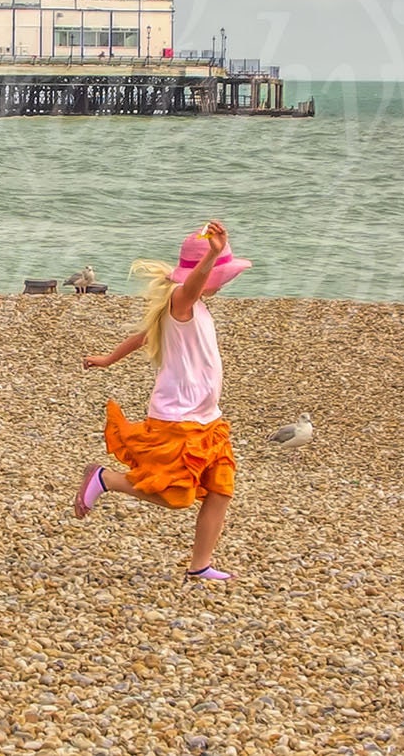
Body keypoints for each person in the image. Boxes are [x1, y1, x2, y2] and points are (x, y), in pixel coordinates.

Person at [72, 220, 249, 581]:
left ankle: (200, 566)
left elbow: (143, 335)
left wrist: (108, 358)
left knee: (220, 490)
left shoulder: (192, 309)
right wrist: (213, 254)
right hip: (178, 417)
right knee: (176, 496)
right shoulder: (182, 299)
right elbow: (194, 284)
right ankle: (105, 479)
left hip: (208, 419)